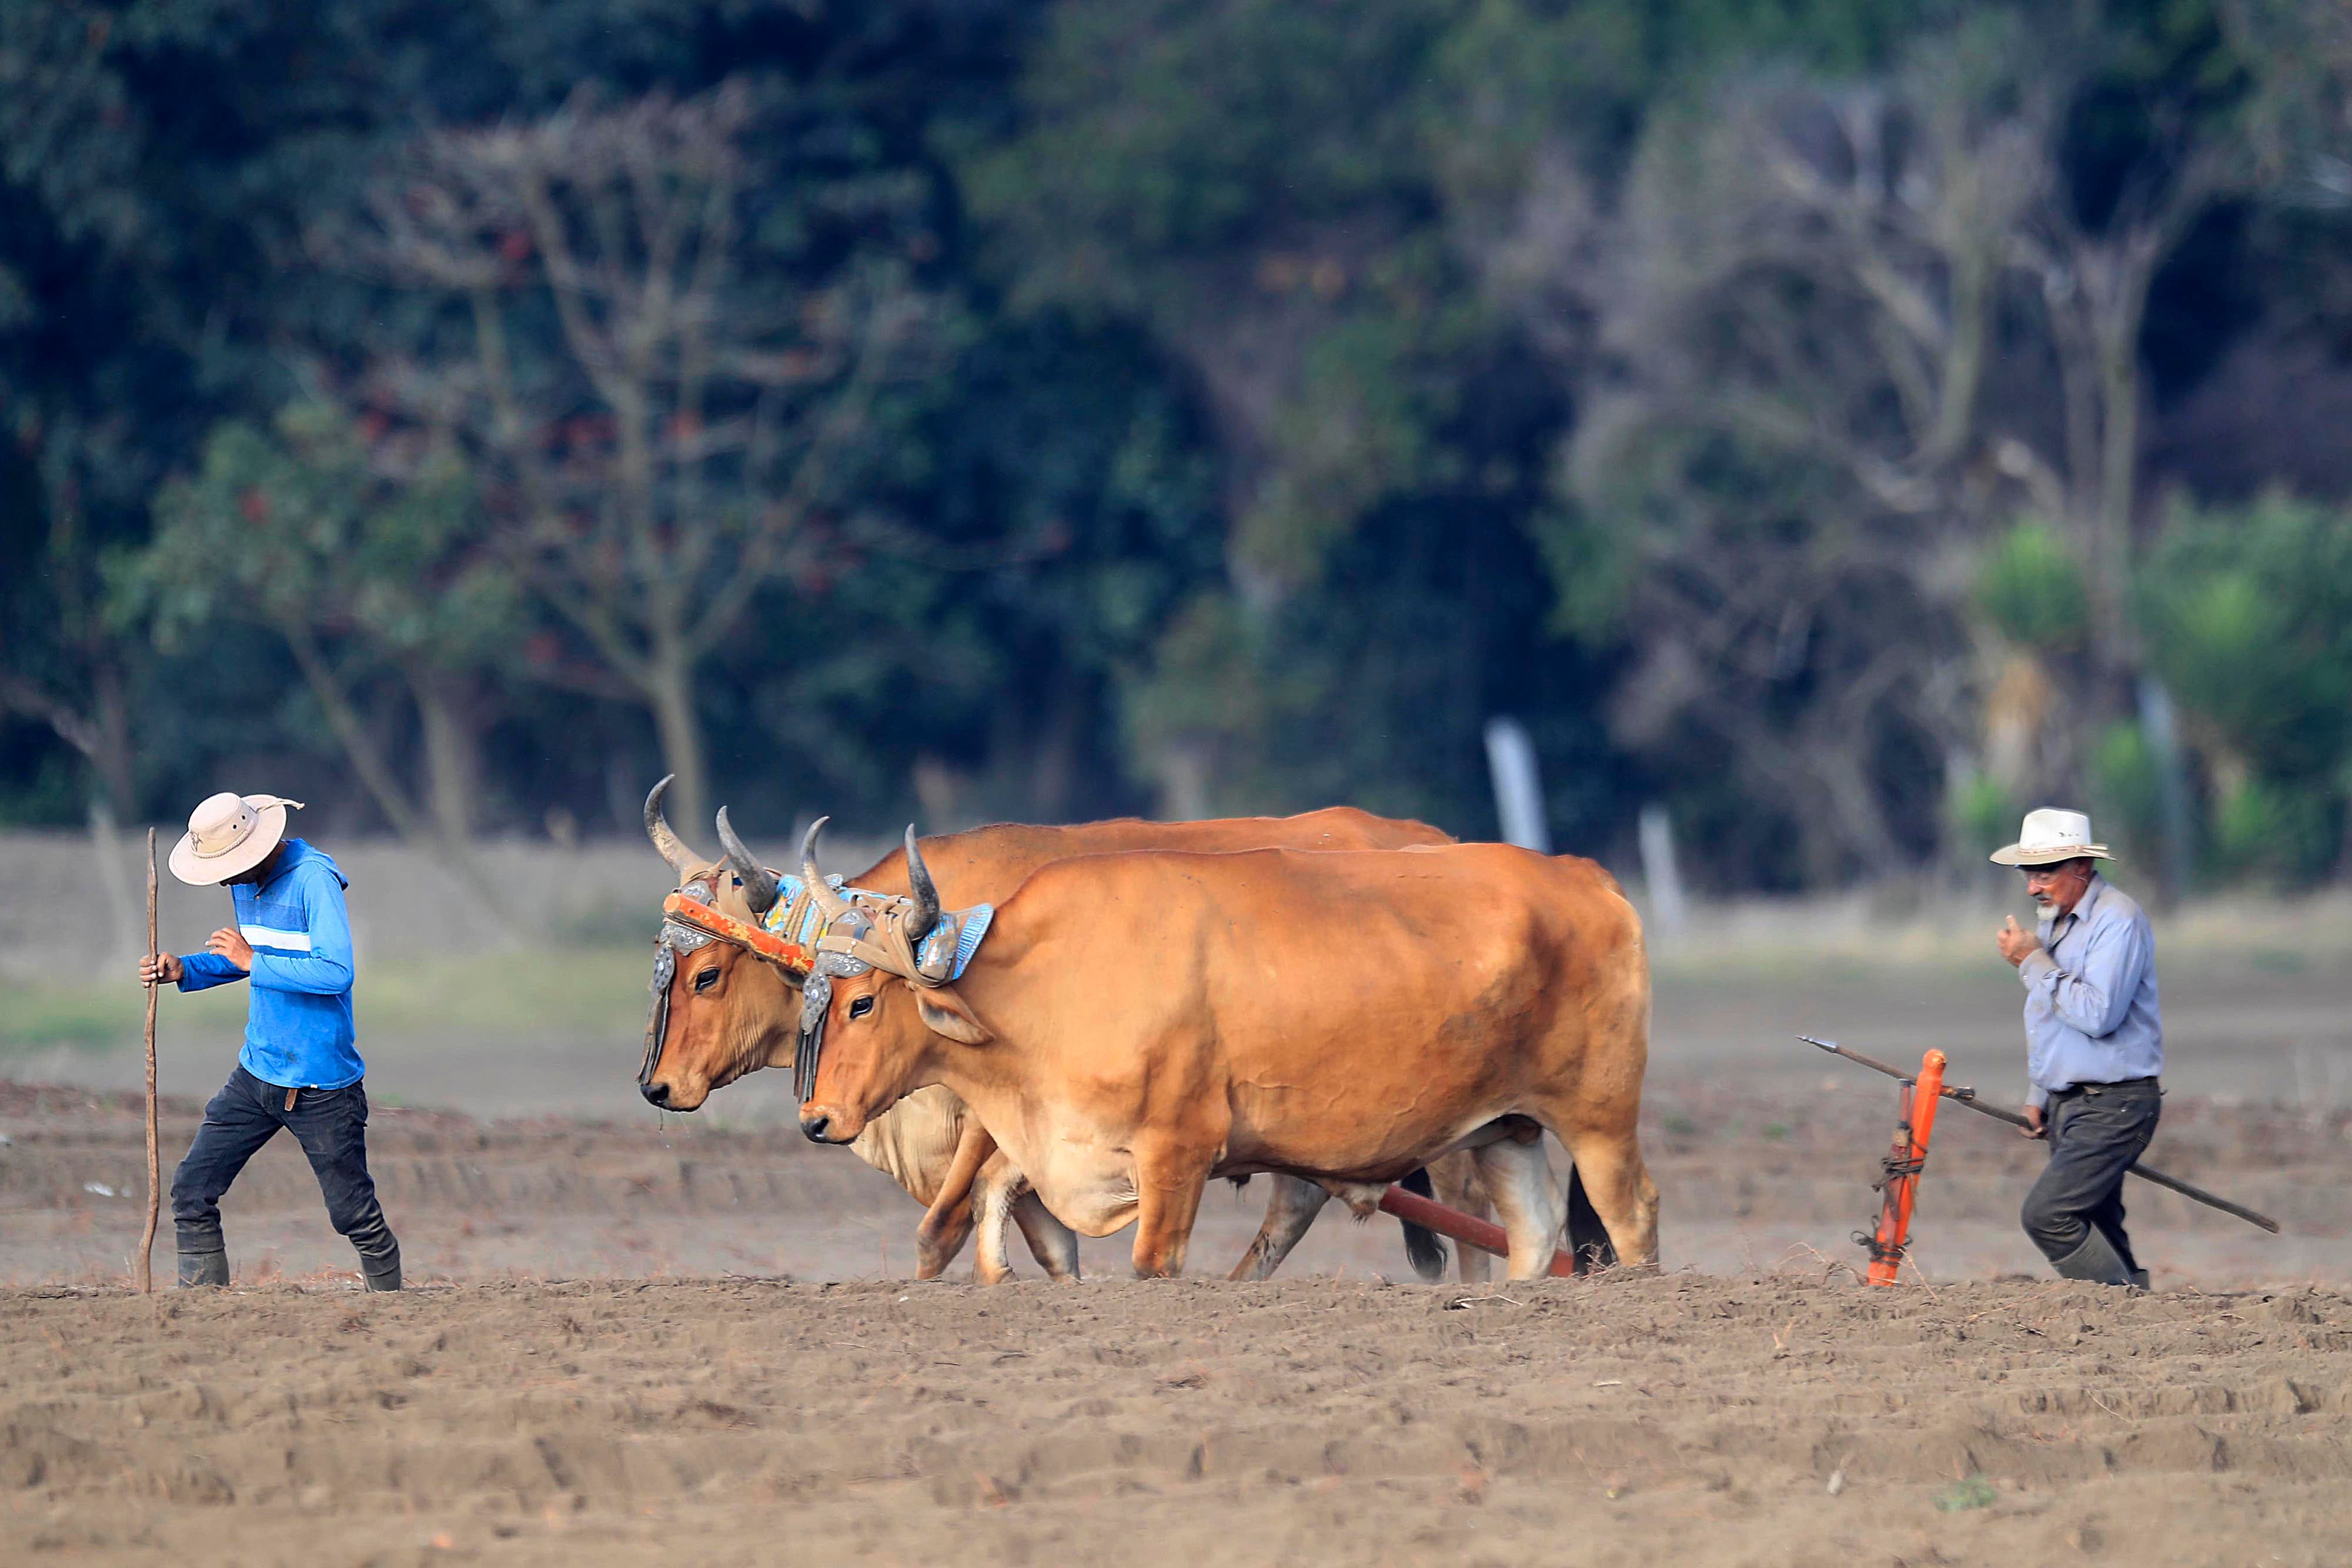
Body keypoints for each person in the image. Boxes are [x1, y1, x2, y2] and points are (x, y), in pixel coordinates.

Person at [138, 792, 402, 1290]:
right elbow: (248, 959)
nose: (223, 879)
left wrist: (252, 961)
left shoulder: (314, 880)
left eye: (229, 866)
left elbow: (336, 970)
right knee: (192, 1188)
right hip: (256, 1074)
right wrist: (185, 969)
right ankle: (201, 1314)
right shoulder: (246, 883)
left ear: (257, 849)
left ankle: (393, 1307)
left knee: (352, 1213)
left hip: (321, 1085)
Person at [1990, 808, 2162, 1288]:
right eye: (2029, 875)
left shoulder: (2118, 921)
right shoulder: (2056, 923)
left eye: (2044, 874)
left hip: (2116, 1104)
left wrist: (2030, 961)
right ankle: (2139, 1315)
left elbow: (2096, 1015)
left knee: (2048, 1216)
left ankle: (2120, 1306)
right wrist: (2039, 1094)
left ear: (2081, 867)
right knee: (2098, 1224)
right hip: (2072, 1103)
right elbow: (2052, 1019)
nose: (2032, 888)